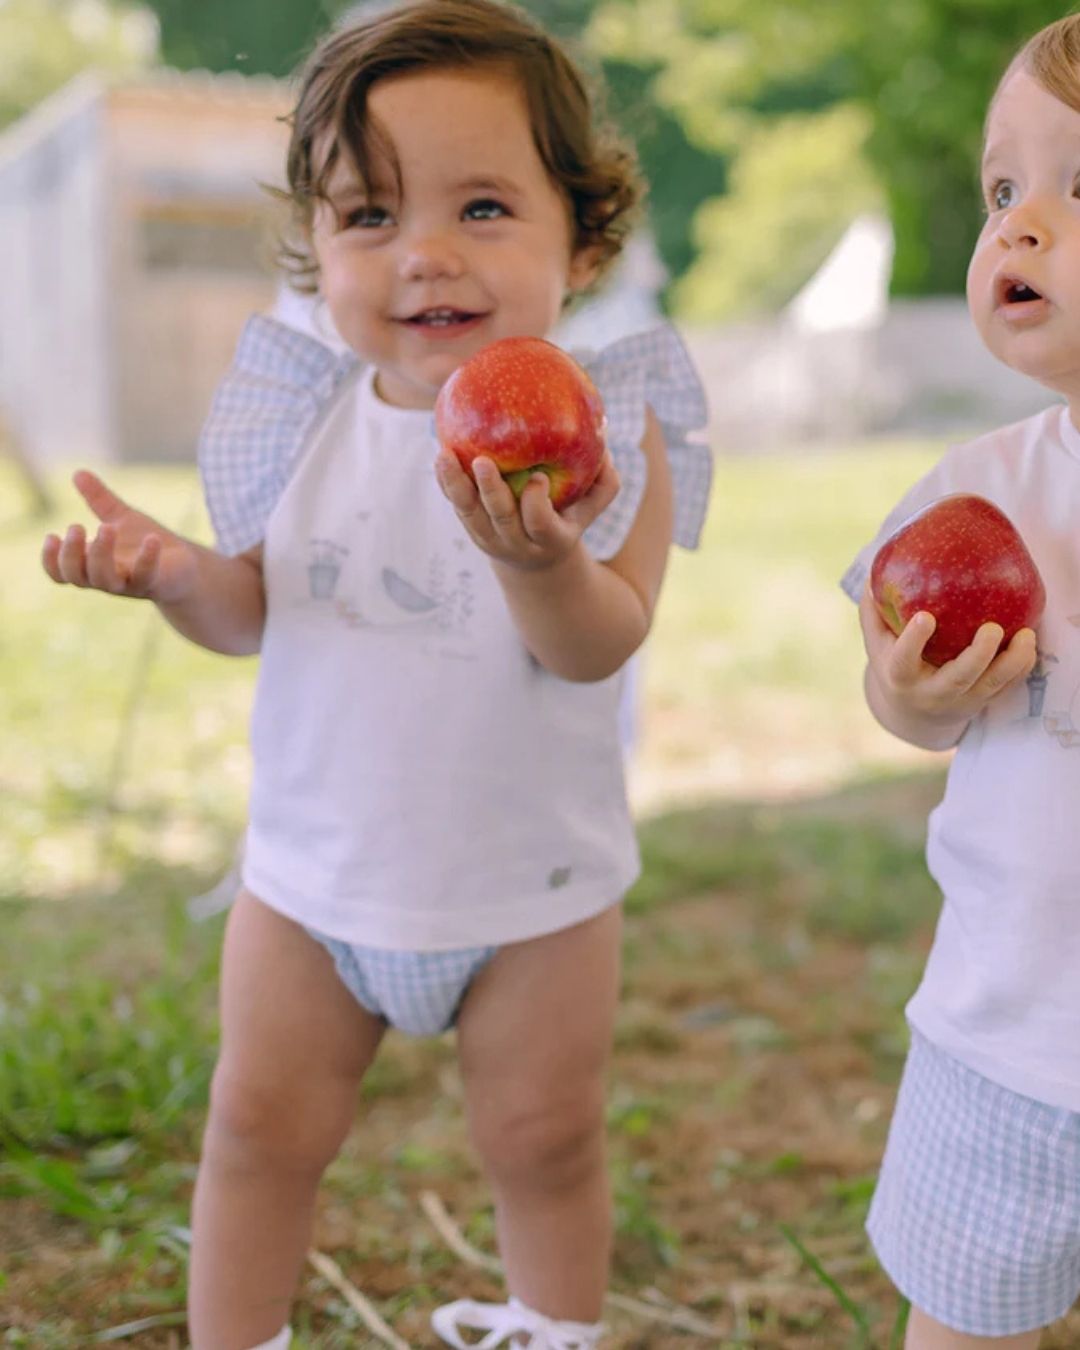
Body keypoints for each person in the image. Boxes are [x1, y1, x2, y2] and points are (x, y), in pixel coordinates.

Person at [41, 2, 712, 1347]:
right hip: (311, 880)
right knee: (257, 1122)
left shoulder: (616, 426)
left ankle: (550, 1324)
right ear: (314, 253)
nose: (421, 256)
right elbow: (252, 611)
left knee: (545, 1137)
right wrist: (178, 577)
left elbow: (600, 640)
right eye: (368, 217)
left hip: (534, 889)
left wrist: (537, 561)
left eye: (479, 209)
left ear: (579, 242)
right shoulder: (301, 416)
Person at [842, 15, 1080, 1349]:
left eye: (1078, 184)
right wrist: (916, 702)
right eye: (1004, 188)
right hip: (1000, 1035)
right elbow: (891, 687)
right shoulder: (979, 493)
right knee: (963, 1328)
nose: (1022, 223)